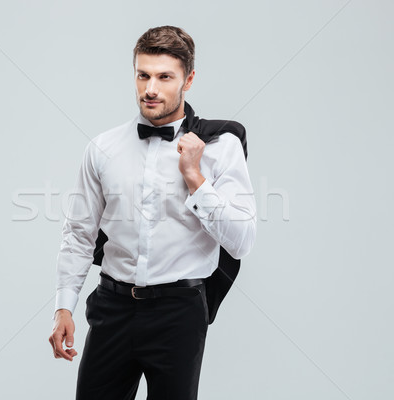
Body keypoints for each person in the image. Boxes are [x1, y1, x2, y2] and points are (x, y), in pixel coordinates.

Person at [49, 25, 257, 399]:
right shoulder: (102, 148)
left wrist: (195, 177)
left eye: (165, 77)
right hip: (111, 308)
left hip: (179, 312)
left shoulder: (220, 147)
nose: (150, 89)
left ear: (188, 80)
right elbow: (79, 233)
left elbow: (241, 241)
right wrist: (64, 307)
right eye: (143, 75)